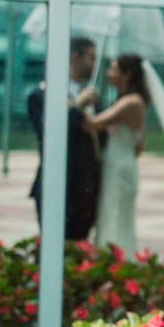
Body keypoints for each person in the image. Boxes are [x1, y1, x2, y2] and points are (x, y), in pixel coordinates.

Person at [27, 36, 106, 240]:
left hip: (87, 188)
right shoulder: (42, 94)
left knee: (80, 248)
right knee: (54, 244)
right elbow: (50, 134)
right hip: (57, 183)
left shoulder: (93, 97)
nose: (94, 64)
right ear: (74, 57)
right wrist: (78, 108)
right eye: (91, 57)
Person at [78, 54, 149, 255]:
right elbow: (139, 146)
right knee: (113, 216)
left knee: (116, 218)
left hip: (119, 169)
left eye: (113, 69)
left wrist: (80, 103)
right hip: (120, 165)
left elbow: (90, 125)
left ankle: (117, 263)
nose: (108, 73)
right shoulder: (131, 101)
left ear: (127, 75)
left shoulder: (130, 103)